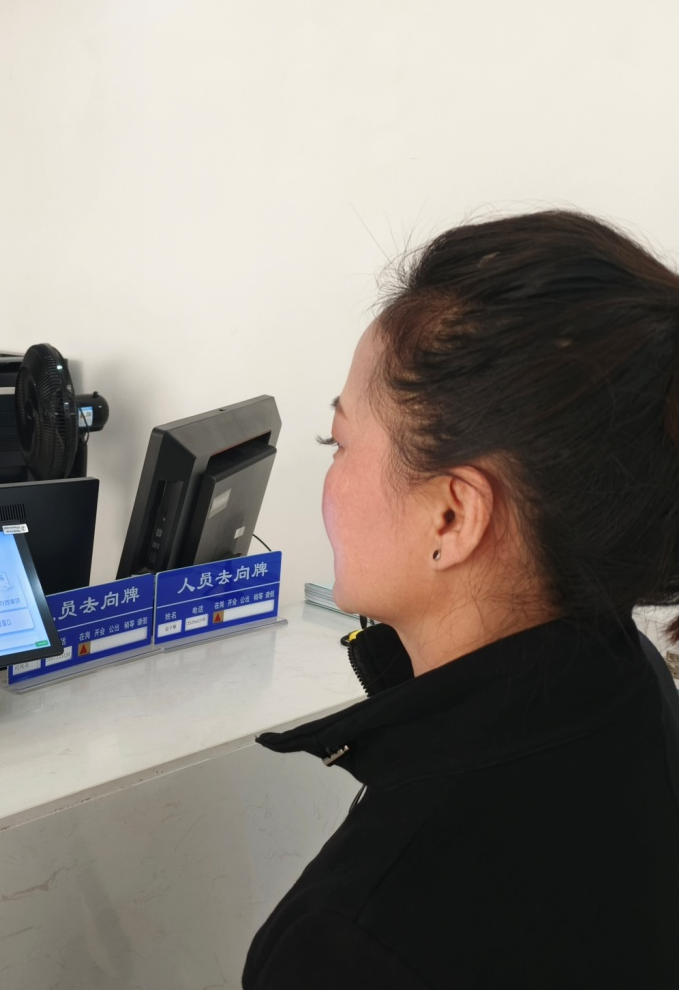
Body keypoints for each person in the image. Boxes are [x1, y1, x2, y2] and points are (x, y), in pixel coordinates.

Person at [243, 211, 679, 988]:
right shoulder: (632, 684)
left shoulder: (355, 942)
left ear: (451, 515)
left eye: (338, 442)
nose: (328, 479)